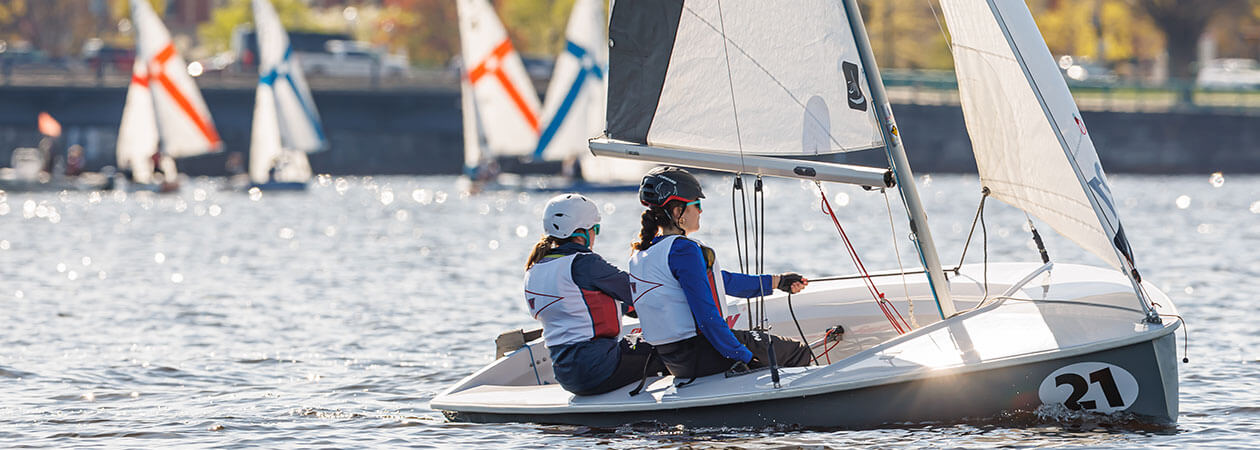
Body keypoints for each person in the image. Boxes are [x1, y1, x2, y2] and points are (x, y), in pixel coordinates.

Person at [628, 166, 814, 380]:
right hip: (704, 353)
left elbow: (722, 281)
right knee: (796, 351)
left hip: (677, 362)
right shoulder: (683, 250)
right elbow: (707, 316)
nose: (700, 210)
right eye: (696, 204)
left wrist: (777, 282)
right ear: (678, 212)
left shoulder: (642, 254)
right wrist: (743, 356)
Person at [523, 193, 666, 395]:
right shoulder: (584, 263)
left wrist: (630, 308)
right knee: (672, 345)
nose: (595, 236)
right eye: (595, 229)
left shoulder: (534, 270)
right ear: (580, 233)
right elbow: (640, 290)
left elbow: (582, 306)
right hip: (599, 368)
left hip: (567, 375)